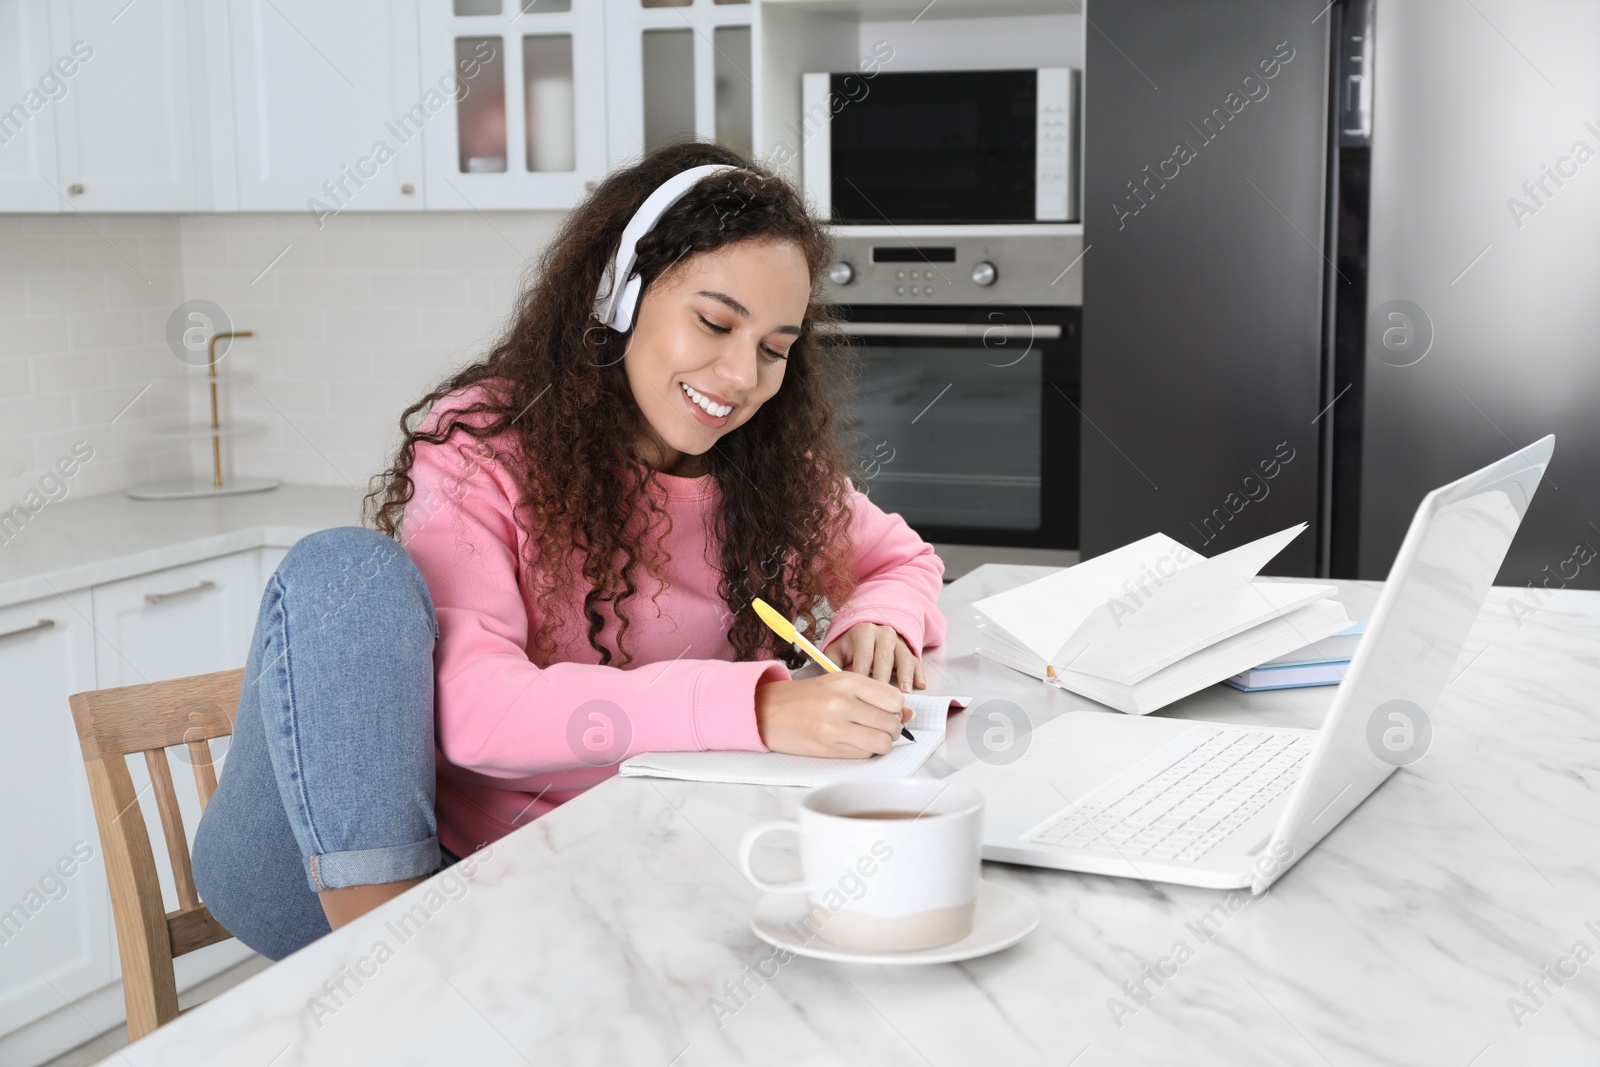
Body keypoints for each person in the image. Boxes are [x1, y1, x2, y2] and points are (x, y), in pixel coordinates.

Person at [192, 141, 947, 961]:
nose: (740, 376)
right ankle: (397, 973)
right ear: (618, 298)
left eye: (774, 348)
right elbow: (478, 714)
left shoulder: (766, 468)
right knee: (345, 571)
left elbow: (901, 558)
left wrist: (879, 622)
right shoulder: (484, 447)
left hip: (584, 864)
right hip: (366, 870)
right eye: (716, 322)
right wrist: (758, 706)